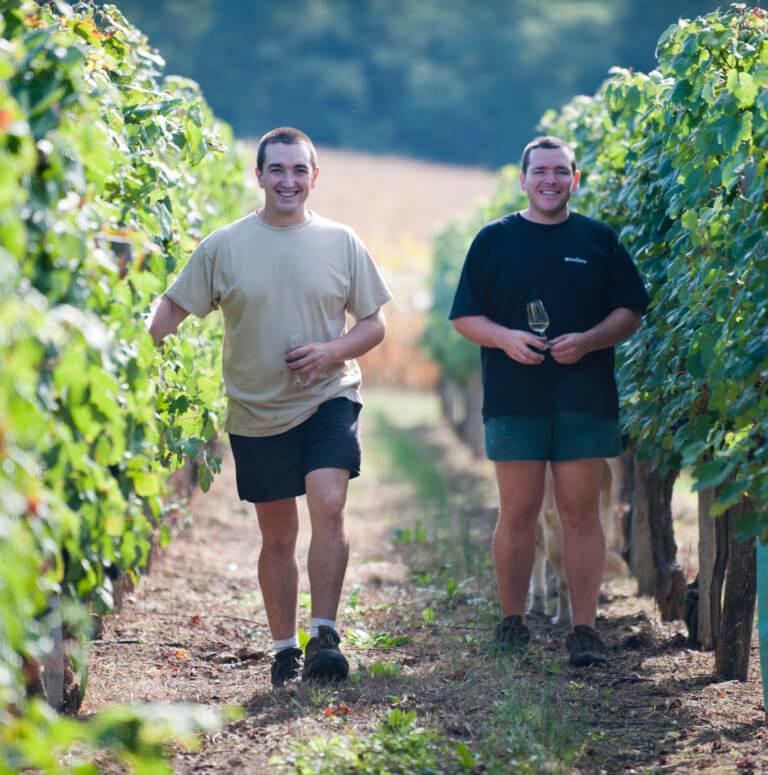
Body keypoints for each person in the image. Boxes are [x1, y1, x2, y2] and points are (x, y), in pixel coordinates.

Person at [148, 127, 392, 687]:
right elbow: (171, 311)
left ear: (314, 176)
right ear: (258, 176)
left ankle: (324, 634)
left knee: (329, 502)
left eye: (298, 170)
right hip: (256, 410)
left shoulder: (342, 242)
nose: (288, 180)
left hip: (329, 395)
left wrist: (330, 351)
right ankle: (284, 647)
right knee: (278, 535)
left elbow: (376, 323)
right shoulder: (223, 246)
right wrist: (129, 349)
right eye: (276, 169)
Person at [449, 136, 648, 667]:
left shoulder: (598, 239)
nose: (550, 180)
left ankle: (585, 630)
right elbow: (465, 316)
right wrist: (506, 339)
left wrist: (588, 340)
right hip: (514, 399)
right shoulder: (494, 240)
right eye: (541, 171)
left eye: (561, 172)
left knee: (580, 514)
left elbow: (631, 310)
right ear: (523, 178)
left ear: (575, 180)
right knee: (517, 513)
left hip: (585, 398)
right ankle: (512, 623)